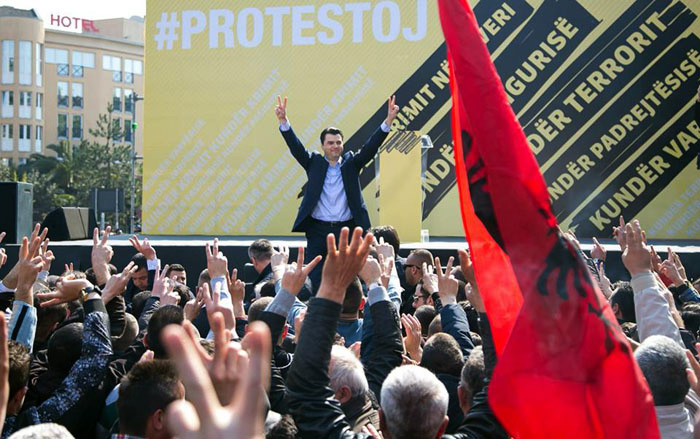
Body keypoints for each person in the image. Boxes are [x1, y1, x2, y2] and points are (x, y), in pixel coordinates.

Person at [275, 95, 400, 292]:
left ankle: (349, 306)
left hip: (346, 230)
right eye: (330, 143)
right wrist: (284, 121)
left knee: (349, 276)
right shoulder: (313, 162)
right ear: (323, 146)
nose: (335, 146)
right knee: (315, 275)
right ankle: (317, 305)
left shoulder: (352, 163)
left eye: (338, 142)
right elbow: (295, 147)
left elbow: (371, 146)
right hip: (318, 231)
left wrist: (388, 121)